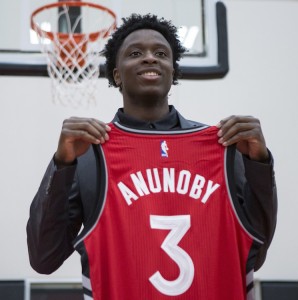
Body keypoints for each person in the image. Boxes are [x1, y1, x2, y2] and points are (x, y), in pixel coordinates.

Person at [27, 14, 277, 300]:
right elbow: (43, 259)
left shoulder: (224, 146)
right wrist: (61, 165)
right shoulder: (88, 153)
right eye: (135, 53)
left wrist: (259, 164)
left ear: (173, 71)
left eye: (161, 53)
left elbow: (254, 256)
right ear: (116, 73)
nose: (149, 58)